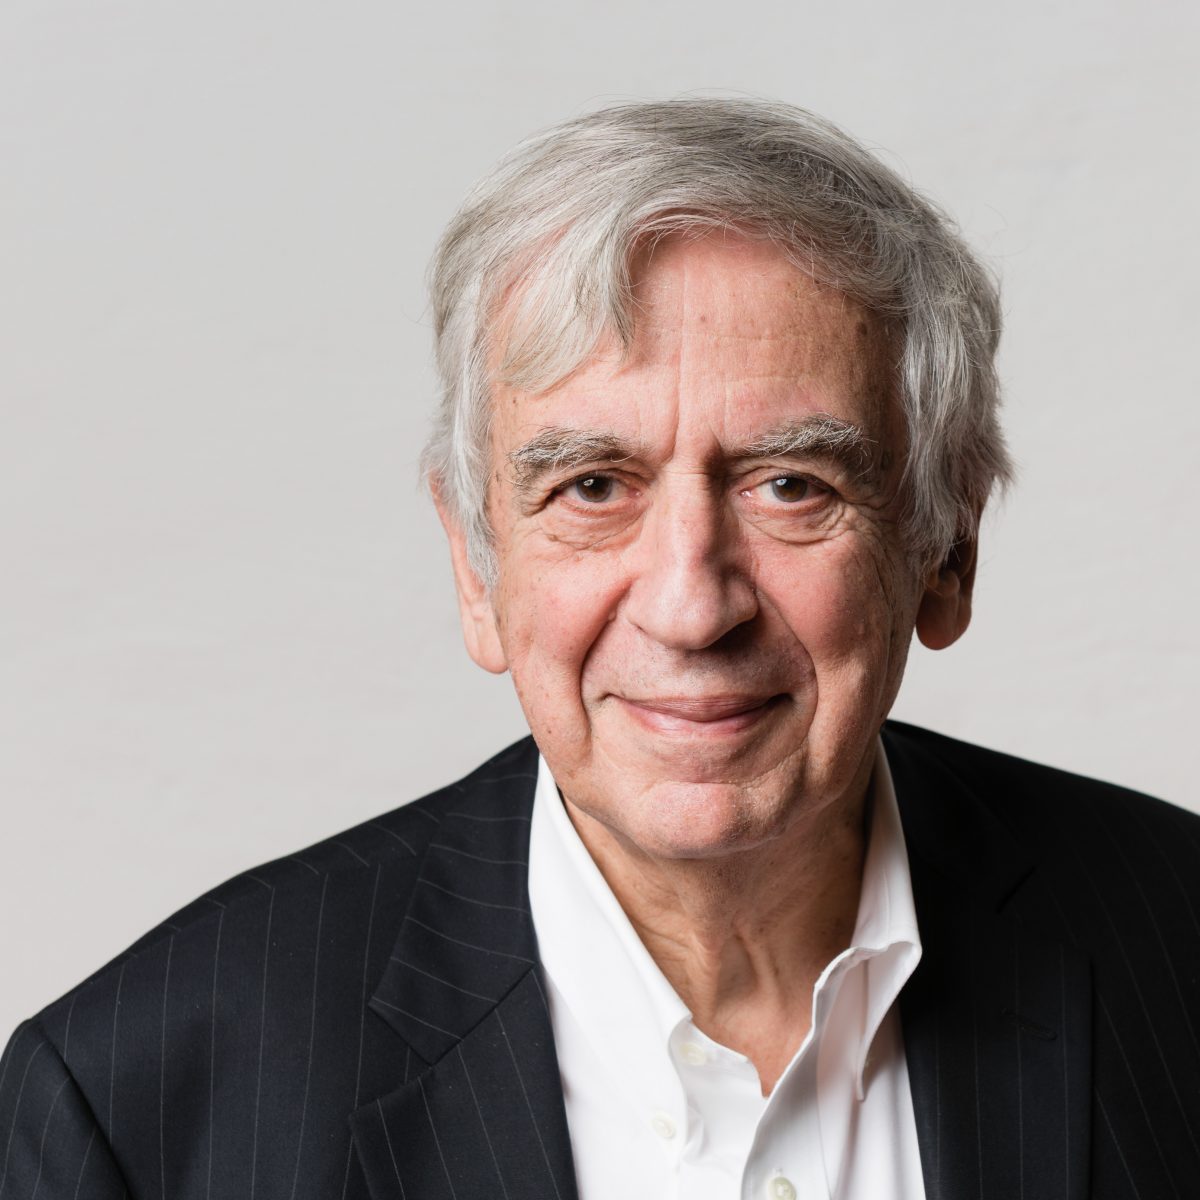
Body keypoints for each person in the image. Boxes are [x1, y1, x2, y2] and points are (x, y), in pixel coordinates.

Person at [1, 97, 1197, 1200]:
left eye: (791, 484)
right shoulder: (135, 1110)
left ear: (947, 550)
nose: (690, 607)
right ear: (476, 566)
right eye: (591, 487)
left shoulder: (1177, 943)